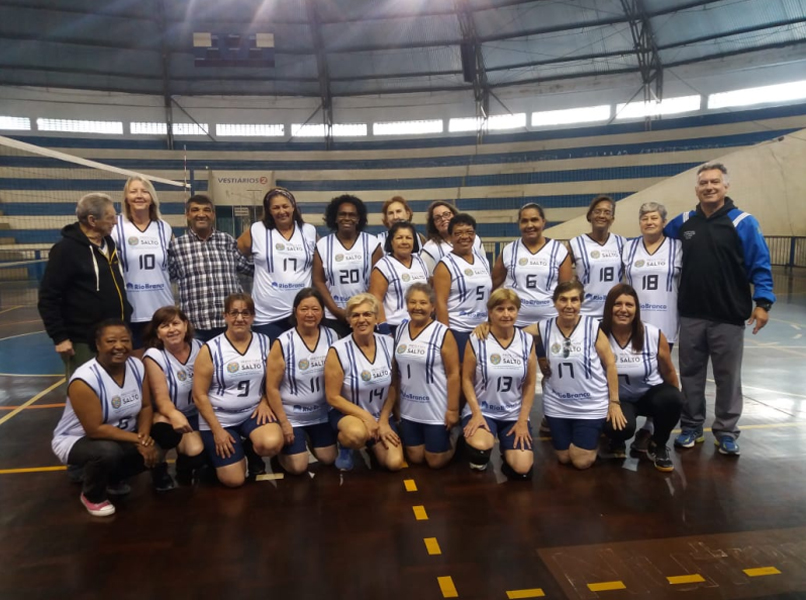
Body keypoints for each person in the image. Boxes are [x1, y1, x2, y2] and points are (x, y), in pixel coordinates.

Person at [665, 162, 775, 457]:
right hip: (690, 315)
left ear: (726, 186)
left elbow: (760, 265)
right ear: (696, 189)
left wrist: (763, 303)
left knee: (728, 378)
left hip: (728, 316)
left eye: (715, 182)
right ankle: (691, 427)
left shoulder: (743, 222)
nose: (709, 187)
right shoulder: (683, 222)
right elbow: (657, 243)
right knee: (690, 375)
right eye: (704, 183)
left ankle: (726, 431)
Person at [51, 320, 164, 517]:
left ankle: (113, 478)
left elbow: (146, 406)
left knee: (162, 443)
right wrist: (139, 440)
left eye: (125, 340)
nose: (119, 346)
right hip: (78, 439)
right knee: (106, 452)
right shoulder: (85, 379)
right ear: (97, 344)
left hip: (121, 435)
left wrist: (144, 437)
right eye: (111, 341)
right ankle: (92, 495)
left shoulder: (136, 365)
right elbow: (94, 429)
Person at [192, 293, 284, 487]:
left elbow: (274, 380)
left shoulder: (264, 342)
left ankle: (251, 450)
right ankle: (218, 457)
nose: (240, 318)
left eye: (245, 313)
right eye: (234, 313)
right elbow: (199, 395)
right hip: (220, 418)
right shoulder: (211, 348)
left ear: (252, 316)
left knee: (272, 443)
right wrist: (217, 431)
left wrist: (266, 401)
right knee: (234, 481)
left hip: (251, 413)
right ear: (225, 316)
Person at [38, 193, 132, 379]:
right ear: (92, 220)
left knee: (114, 390)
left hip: (114, 335)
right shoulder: (65, 250)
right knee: (85, 391)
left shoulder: (108, 244)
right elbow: (48, 297)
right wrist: (60, 337)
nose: (115, 221)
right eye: (110, 217)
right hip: (83, 341)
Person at [534, 281, 623, 469]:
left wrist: (614, 402)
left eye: (574, 300)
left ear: (581, 303)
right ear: (555, 303)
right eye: (563, 300)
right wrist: (540, 355)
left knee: (581, 461)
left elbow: (610, 364)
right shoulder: (544, 327)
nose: (569, 305)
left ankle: (592, 443)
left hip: (590, 403)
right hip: (558, 403)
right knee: (564, 457)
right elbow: (511, 333)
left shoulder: (592, 327)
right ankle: (582, 440)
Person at [599, 285, 684, 472]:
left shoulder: (652, 334)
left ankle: (658, 444)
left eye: (629, 305)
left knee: (673, 399)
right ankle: (617, 440)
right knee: (620, 427)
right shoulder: (598, 334)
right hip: (617, 400)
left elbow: (669, 372)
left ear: (636, 309)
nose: (623, 309)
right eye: (617, 304)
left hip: (648, 395)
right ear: (608, 308)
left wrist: (673, 405)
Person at [622, 202, 682, 452]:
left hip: (664, 319)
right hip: (633, 320)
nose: (649, 222)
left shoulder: (677, 248)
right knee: (630, 368)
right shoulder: (629, 247)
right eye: (644, 217)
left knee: (659, 374)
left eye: (654, 218)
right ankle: (621, 414)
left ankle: (649, 427)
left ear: (664, 222)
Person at [324, 293, 404, 472]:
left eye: (367, 314)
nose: (362, 319)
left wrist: (383, 420)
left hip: (380, 414)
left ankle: (372, 442)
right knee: (356, 434)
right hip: (349, 416)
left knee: (394, 463)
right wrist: (367, 418)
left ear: (376, 318)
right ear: (349, 320)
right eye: (356, 315)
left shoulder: (389, 344)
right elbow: (333, 397)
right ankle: (346, 446)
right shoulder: (338, 350)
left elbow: (393, 386)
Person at [461, 289, 537, 479]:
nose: (506, 314)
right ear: (490, 312)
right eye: (500, 309)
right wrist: (476, 413)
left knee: (522, 468)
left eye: (511, 309)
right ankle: (472, 449)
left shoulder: (527, 341)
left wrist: (522, 421)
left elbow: (529, 384)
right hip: (484, 410)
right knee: (480, 449)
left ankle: (508, 449)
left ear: (517, 311)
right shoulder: (477, 339)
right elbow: (466, 379)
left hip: (513, 413)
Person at [264, 289, 339, 474]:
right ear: (295, 311)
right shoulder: (283, 342)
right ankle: (284, 450)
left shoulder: (332, 336)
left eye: (315, 309)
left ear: (322, 312)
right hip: (292, 416)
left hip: (321, 413)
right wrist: (283, 422)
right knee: (298, 467)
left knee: (328, 459)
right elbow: (272, 388)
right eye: (304, 309)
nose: (310, 314)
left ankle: (309, 441)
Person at [393, 283, 461, 468]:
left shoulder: (442, 333)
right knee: (415, 457)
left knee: (435, 461)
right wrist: (397, 404)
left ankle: (456, 437)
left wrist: (453, 410)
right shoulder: (400, 330)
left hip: (435, 409)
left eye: (423, 303)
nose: (417, 307)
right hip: (410, 408)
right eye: (412, 302)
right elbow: (397, 373)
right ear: (406, 305)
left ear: (432, 307)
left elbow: (454, 374)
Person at [169, 194, 252, 342]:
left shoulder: (227, 240)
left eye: (206, 210)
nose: (201, 214)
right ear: (188, 215)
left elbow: (247, 268)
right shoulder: (176, 246)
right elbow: (167, 275)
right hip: (196, 326)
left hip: (228, 324)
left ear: (213, 215)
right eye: (195, 210)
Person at [237, 187, 317, 341]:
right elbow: (234, 255)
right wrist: (254, 271)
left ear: (293, 207)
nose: (281, 211)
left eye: (285, 206)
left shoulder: (309, 231)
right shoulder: (257, 230)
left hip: (302, 313)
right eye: (276, 207)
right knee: (272, 362)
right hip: (267, 315)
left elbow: (320, 261)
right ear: (269, 211)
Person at [142, 306, 207, 485]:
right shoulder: (154, 355)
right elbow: (161, 399)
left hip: (196, 412)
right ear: (157, 332)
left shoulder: (200, 348)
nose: (172, 329)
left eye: (176, 323)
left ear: (185, 325)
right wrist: (174, 415)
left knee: (201, 453)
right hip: (167, 413)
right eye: (164, 326)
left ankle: (183, 468)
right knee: (167, 434)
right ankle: (158, 467)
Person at [112, 177, 173, 356]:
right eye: (133, 191)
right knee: (138, 369)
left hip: (162, 309)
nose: (139, 196)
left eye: (144, 191)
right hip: (133, 310)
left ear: (152, 198)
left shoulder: (164, 227)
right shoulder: (117, 227)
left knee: (163, 366)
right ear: (126, 198)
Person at [492, 203, 573, 327]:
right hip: (514, 323)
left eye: (534, 220)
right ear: (519, 224)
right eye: (524, 221)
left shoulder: (558, 250)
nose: (529, 225)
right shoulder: (509, 250)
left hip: (550, 323)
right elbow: (493, 284)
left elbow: (566, 291)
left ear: (543, 222)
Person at [313, 195, 382, 338]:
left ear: (358, 219)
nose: (347, 218)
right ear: (335, 218)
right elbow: (318, 280)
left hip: (365, 315)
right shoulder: (323, 245)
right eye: (342, 214)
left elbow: (378, 281)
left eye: (352, 215)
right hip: (334, 316)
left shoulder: (372, 243)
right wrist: (336, 310)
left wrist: (360, 309)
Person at [433, 213, 492, 362]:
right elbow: (440, 303)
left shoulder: (483, 260)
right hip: (458, 330)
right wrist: (446, 336)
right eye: (458, 233)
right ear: (451, 237)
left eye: (469, 232)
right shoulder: (444, 265)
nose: (464, 237)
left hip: (483, 329)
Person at [569, 195, 625, 318]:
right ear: (589, 216)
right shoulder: (575, 243)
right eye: (597, 211)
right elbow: (562, 276)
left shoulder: (622, 243)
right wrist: (573, 283)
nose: (602, 215)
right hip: (585, 313)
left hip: (614, 313)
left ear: (612, 218)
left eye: (607, 212)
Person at [369, 221, 429, 336]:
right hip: (394, 327)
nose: (404, 242)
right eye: (399, 238)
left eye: (408, 238)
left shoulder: (421, 262)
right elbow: (376, 299)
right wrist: (384, 329)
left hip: (420, 325)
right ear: (391, 241)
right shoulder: (383, 265)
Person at [421, 201, 485, 275]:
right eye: (437, 218)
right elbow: (428, 279)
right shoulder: (430, 249)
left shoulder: (475, 239)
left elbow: (484, 266)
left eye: (446, 214)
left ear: (454, 215)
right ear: (433, 224)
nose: (443, 219)